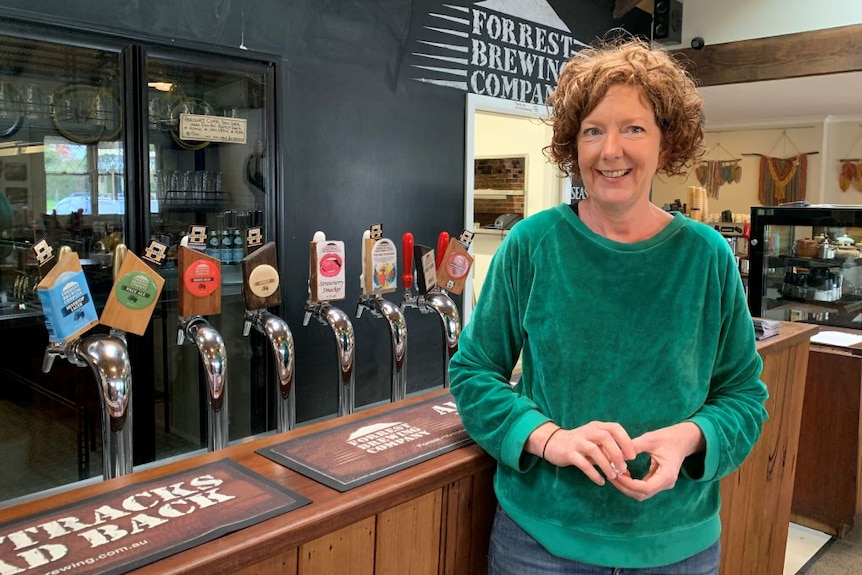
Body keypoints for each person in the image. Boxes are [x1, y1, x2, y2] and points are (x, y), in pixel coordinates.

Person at [449, 36, 767, 575]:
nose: (609, 150)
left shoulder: (707, 256)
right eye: (593, 130)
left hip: (677, 548)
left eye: (633, 128)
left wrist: (689, 437)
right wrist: (549, 439)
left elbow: (743, 396)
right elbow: (474, 373)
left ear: (667, 146)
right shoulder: (531, 244)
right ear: (573, 147)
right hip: (540, 544)